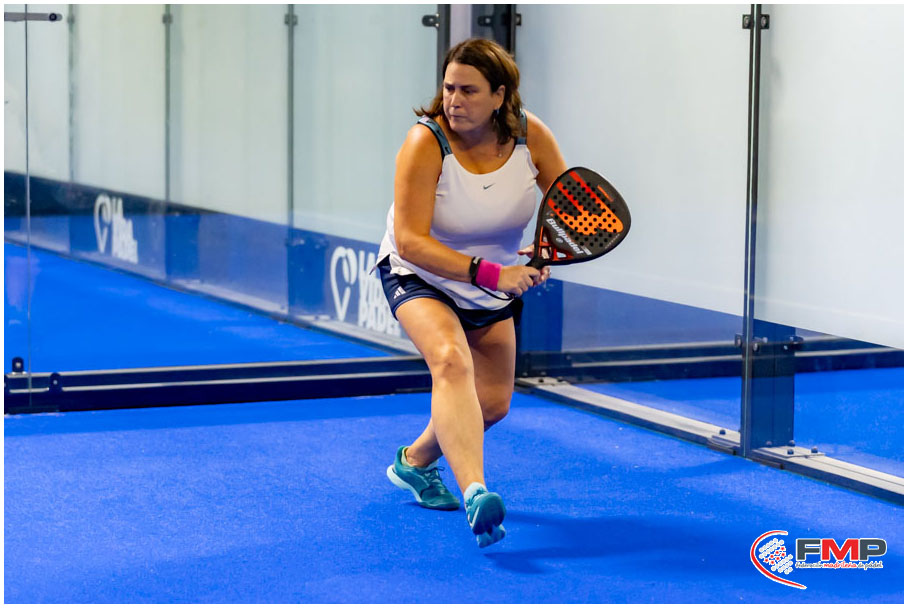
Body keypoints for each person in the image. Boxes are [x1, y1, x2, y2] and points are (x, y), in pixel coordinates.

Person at [375, 37, 567, 548]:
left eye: (468, 91)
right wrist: (491, 274)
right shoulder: (425, 142)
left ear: (500, 96)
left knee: (492, 404)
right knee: (450, 361)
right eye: (448, 88)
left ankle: (414, 462)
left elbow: (569, 208)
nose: (453, 100)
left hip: (491, 282)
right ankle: (476, 493)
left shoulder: (531, 136)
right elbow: (411, 242)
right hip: (423, 274)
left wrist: (543, 253)